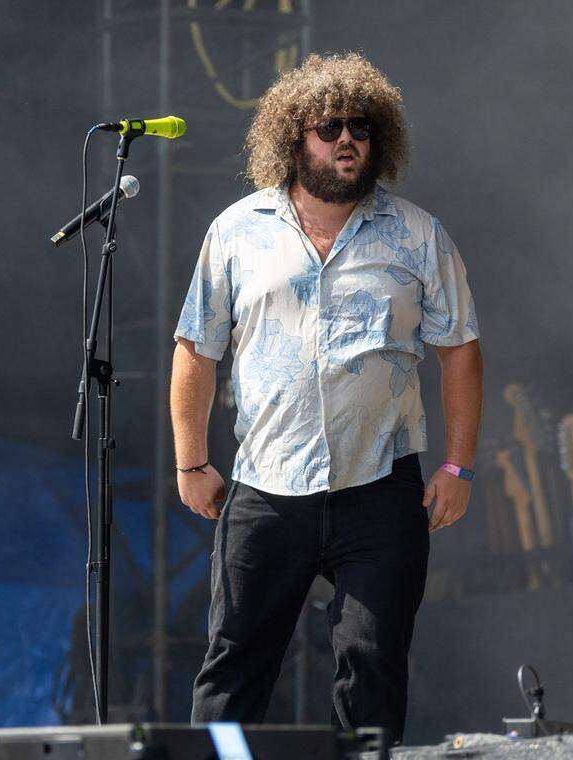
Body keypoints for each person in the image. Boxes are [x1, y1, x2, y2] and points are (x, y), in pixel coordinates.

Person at [172, 53, 483, 742]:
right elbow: (195, 349)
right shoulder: (236, 231)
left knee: (372, 664)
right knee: (233, 670)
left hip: (379, 487)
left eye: (363, 128)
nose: (348, 140)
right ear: (293, 138)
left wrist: (458, 467)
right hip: (267, 487)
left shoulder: (416, 233)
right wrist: (191, 462)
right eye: (330, 127)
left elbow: (460, 351)